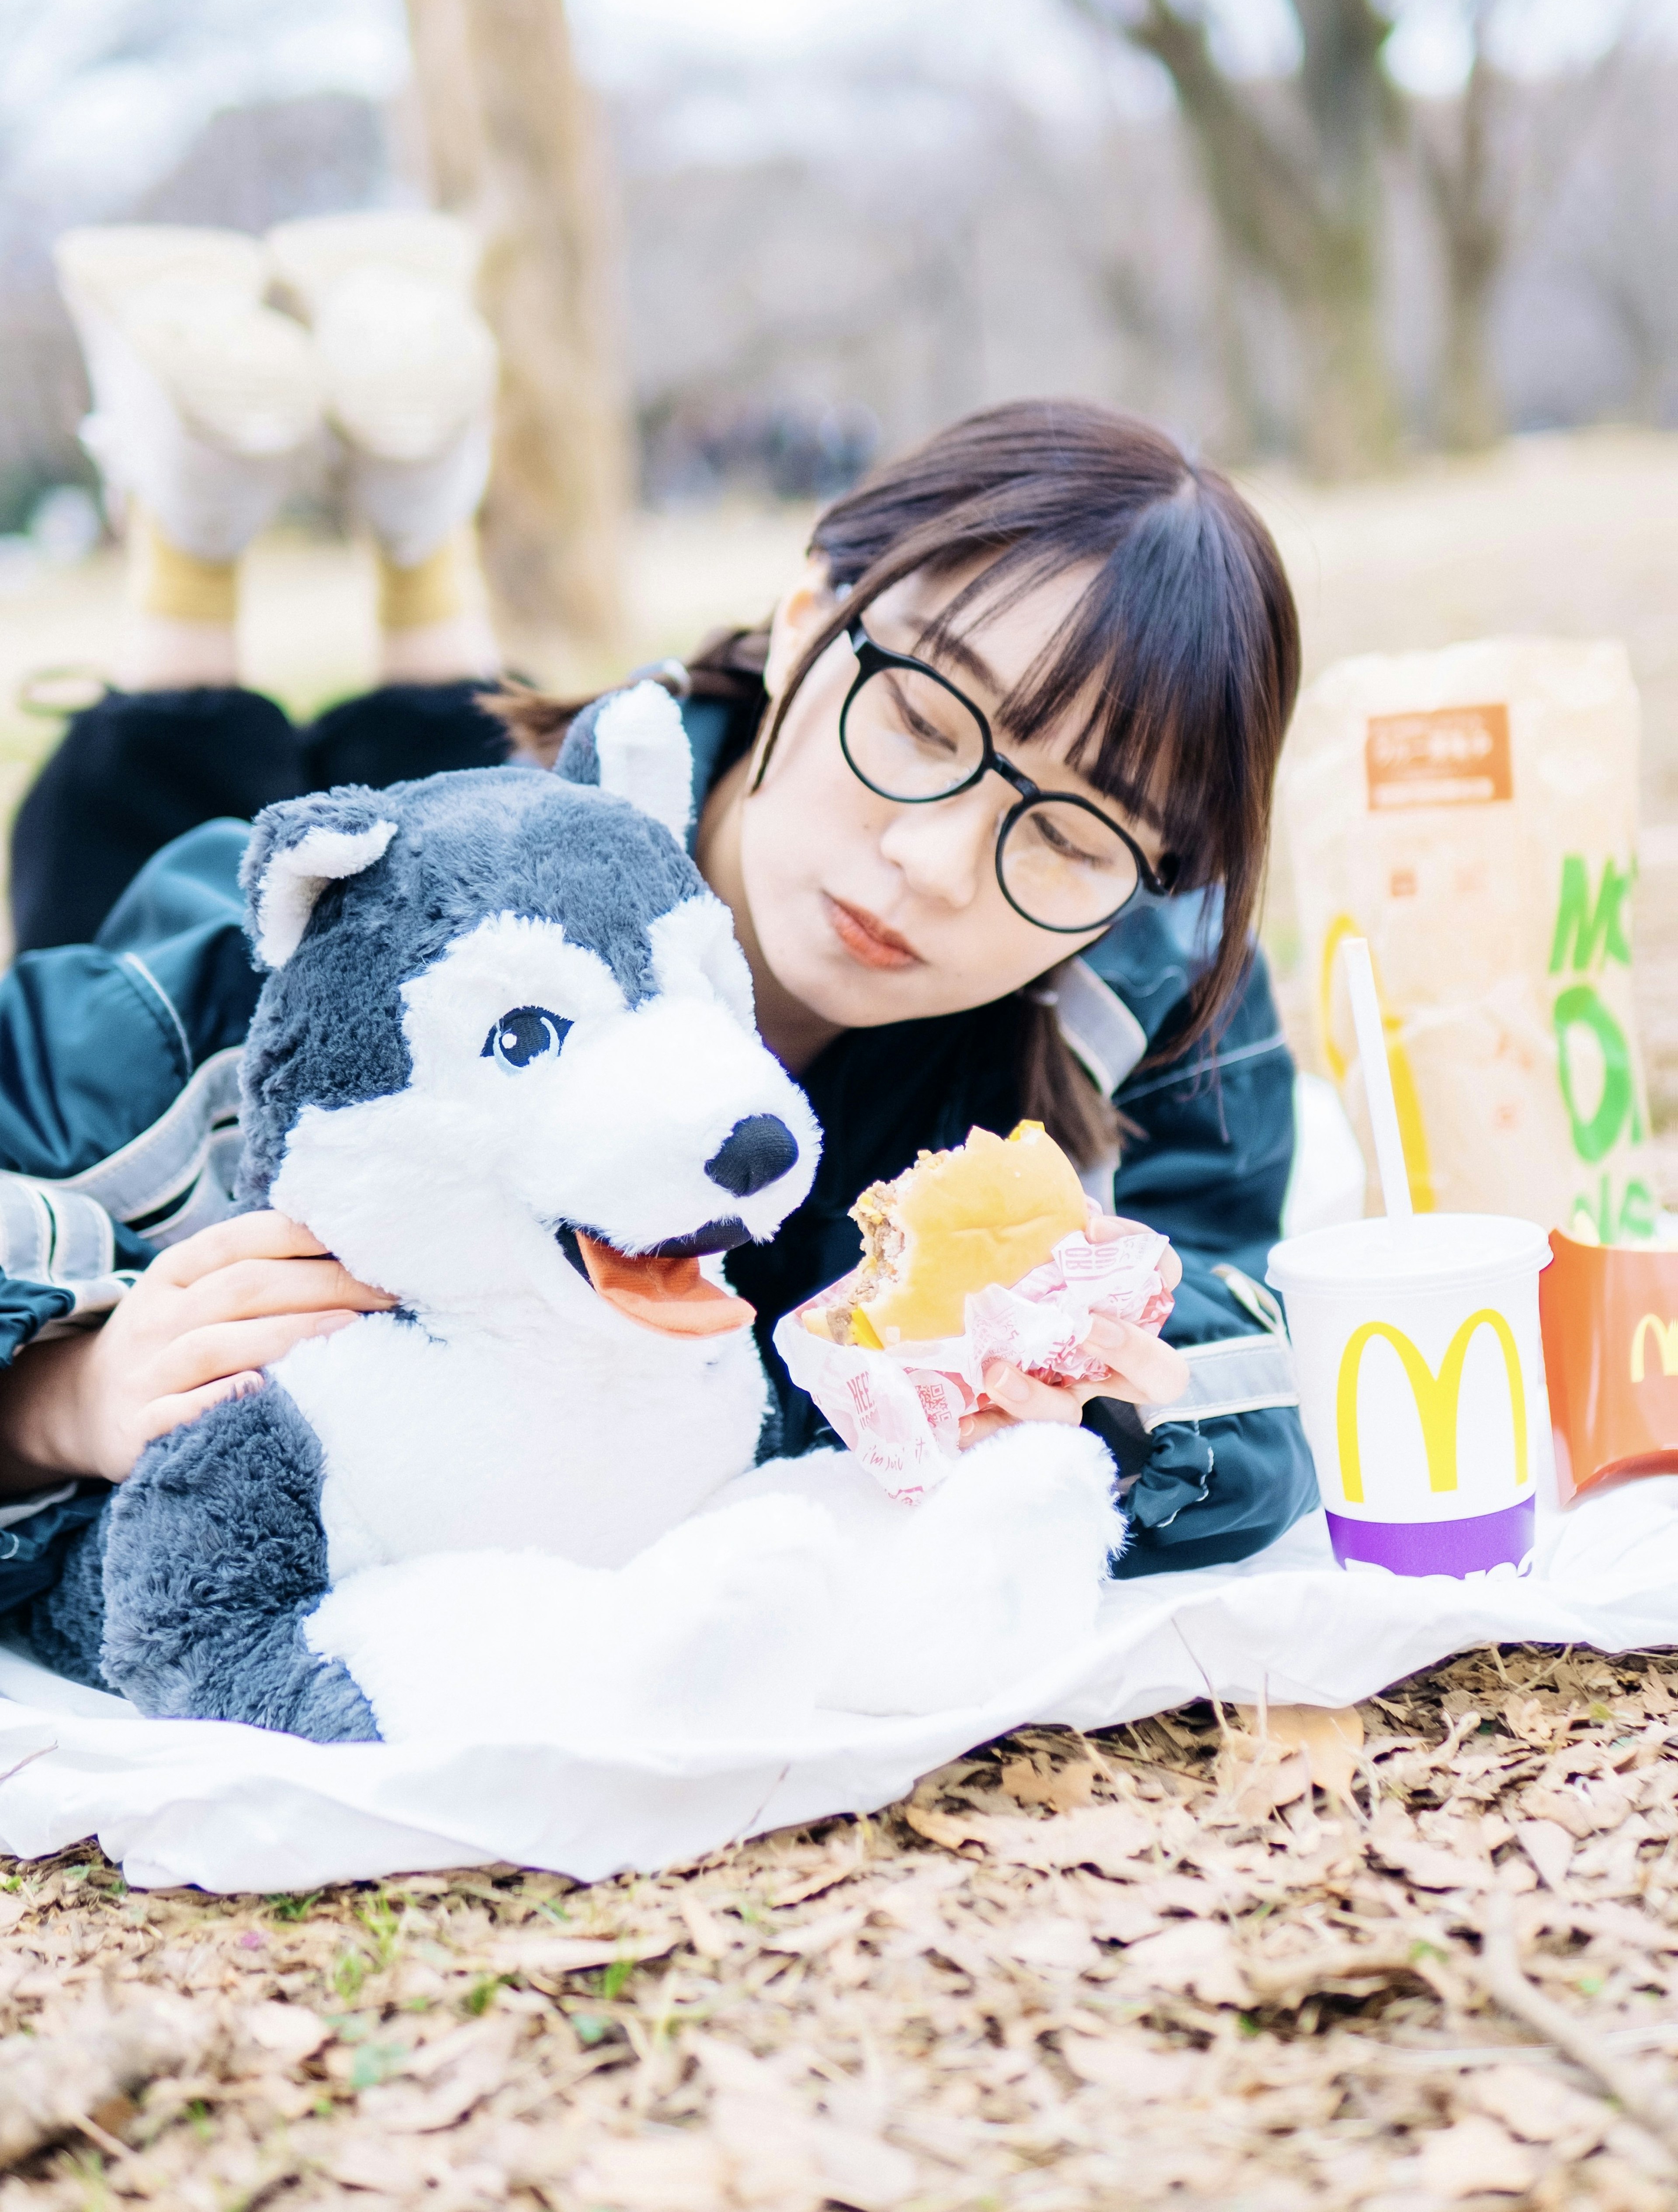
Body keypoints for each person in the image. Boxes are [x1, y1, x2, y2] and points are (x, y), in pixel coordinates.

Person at [0, 398, 1317, 1660]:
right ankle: (223, 516)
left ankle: (412, 532)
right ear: (807, 617)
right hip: (291, 855)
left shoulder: (1147, 974)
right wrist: (59, 1402)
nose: (940, 863)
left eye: (1077, 834)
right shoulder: (398, 940)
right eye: (922, 721)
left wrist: (1099, 1408)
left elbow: (1265, 1353)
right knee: (175, 763)